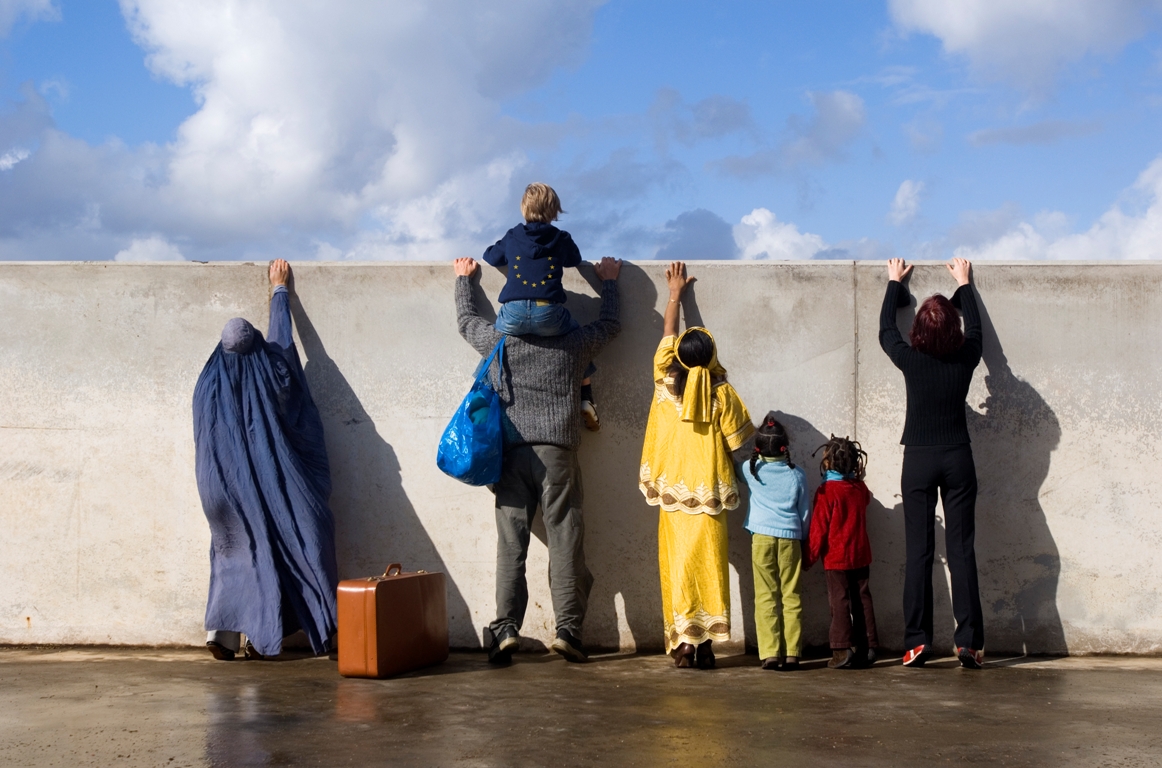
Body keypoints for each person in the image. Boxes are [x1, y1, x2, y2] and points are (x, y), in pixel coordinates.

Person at [453, 254, 622, 664]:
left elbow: (464, 322)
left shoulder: (500, 340)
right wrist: (610, 283)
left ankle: (506, 629)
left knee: (511, 544)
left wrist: (464, 281)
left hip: (510, 455)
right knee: (565, 541)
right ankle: (568, 631)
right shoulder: (574, 341)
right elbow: (611, 325)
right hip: (558, 454)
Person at [193, 259, 338, 661]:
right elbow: (283, 346)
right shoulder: (273, 372)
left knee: (236, 552)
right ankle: (286, 635)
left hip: (223, 491)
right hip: (279, 486)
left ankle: (223, 636)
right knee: (306, 537)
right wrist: (279, 292)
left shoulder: (208, 382)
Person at [639, 261, 755, 670]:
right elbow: (743, 446)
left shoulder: (663, 380)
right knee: (710, 567)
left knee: (677, 568)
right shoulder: (723, 395)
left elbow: (668, 334)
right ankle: (706, 647)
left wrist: (675, 295)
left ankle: (683, 645)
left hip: (673, 499)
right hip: (710, 498)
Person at [879, 256, 985, 669]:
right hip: (959, 457)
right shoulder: (966, 358)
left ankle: (916, 642)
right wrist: (964, 284)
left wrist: (893, 283)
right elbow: (974, 329)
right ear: (953, 330)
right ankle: (970, 644)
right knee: (961, 552)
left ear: (918, 331)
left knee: (919, 552)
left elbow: (886, 330)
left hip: (918, 461)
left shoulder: (910, 360)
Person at [482, 182, 601, 431]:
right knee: (578, 341)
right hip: (549, 312)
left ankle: (485, 392)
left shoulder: (514, 235)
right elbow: (575, 259)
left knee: (494, 345)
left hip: (513, 312)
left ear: (524, 208)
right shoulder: (560, 238)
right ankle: (586, 396)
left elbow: (491, 257)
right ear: (554, 210)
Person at [738, 414, 809, 672]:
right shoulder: (798, 475)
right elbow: (804, 514)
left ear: (757, 448)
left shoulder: (750, 469)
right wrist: (804, 539)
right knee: (792, 596)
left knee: (765, 595)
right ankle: (792, 654)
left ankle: (769, 653)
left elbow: (732, 465)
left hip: (762, 540)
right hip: (791, 539)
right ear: (785, 446)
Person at [805, 435, 878, 670]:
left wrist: (809, 557)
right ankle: (868, 646)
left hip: (836, 558)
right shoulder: (859, 488)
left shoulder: (827, 491)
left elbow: (818, 529)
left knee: (839, 600)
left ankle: (841, 648)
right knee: (862, 598)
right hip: (860, 554)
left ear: (828, 463)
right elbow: (866, 500)